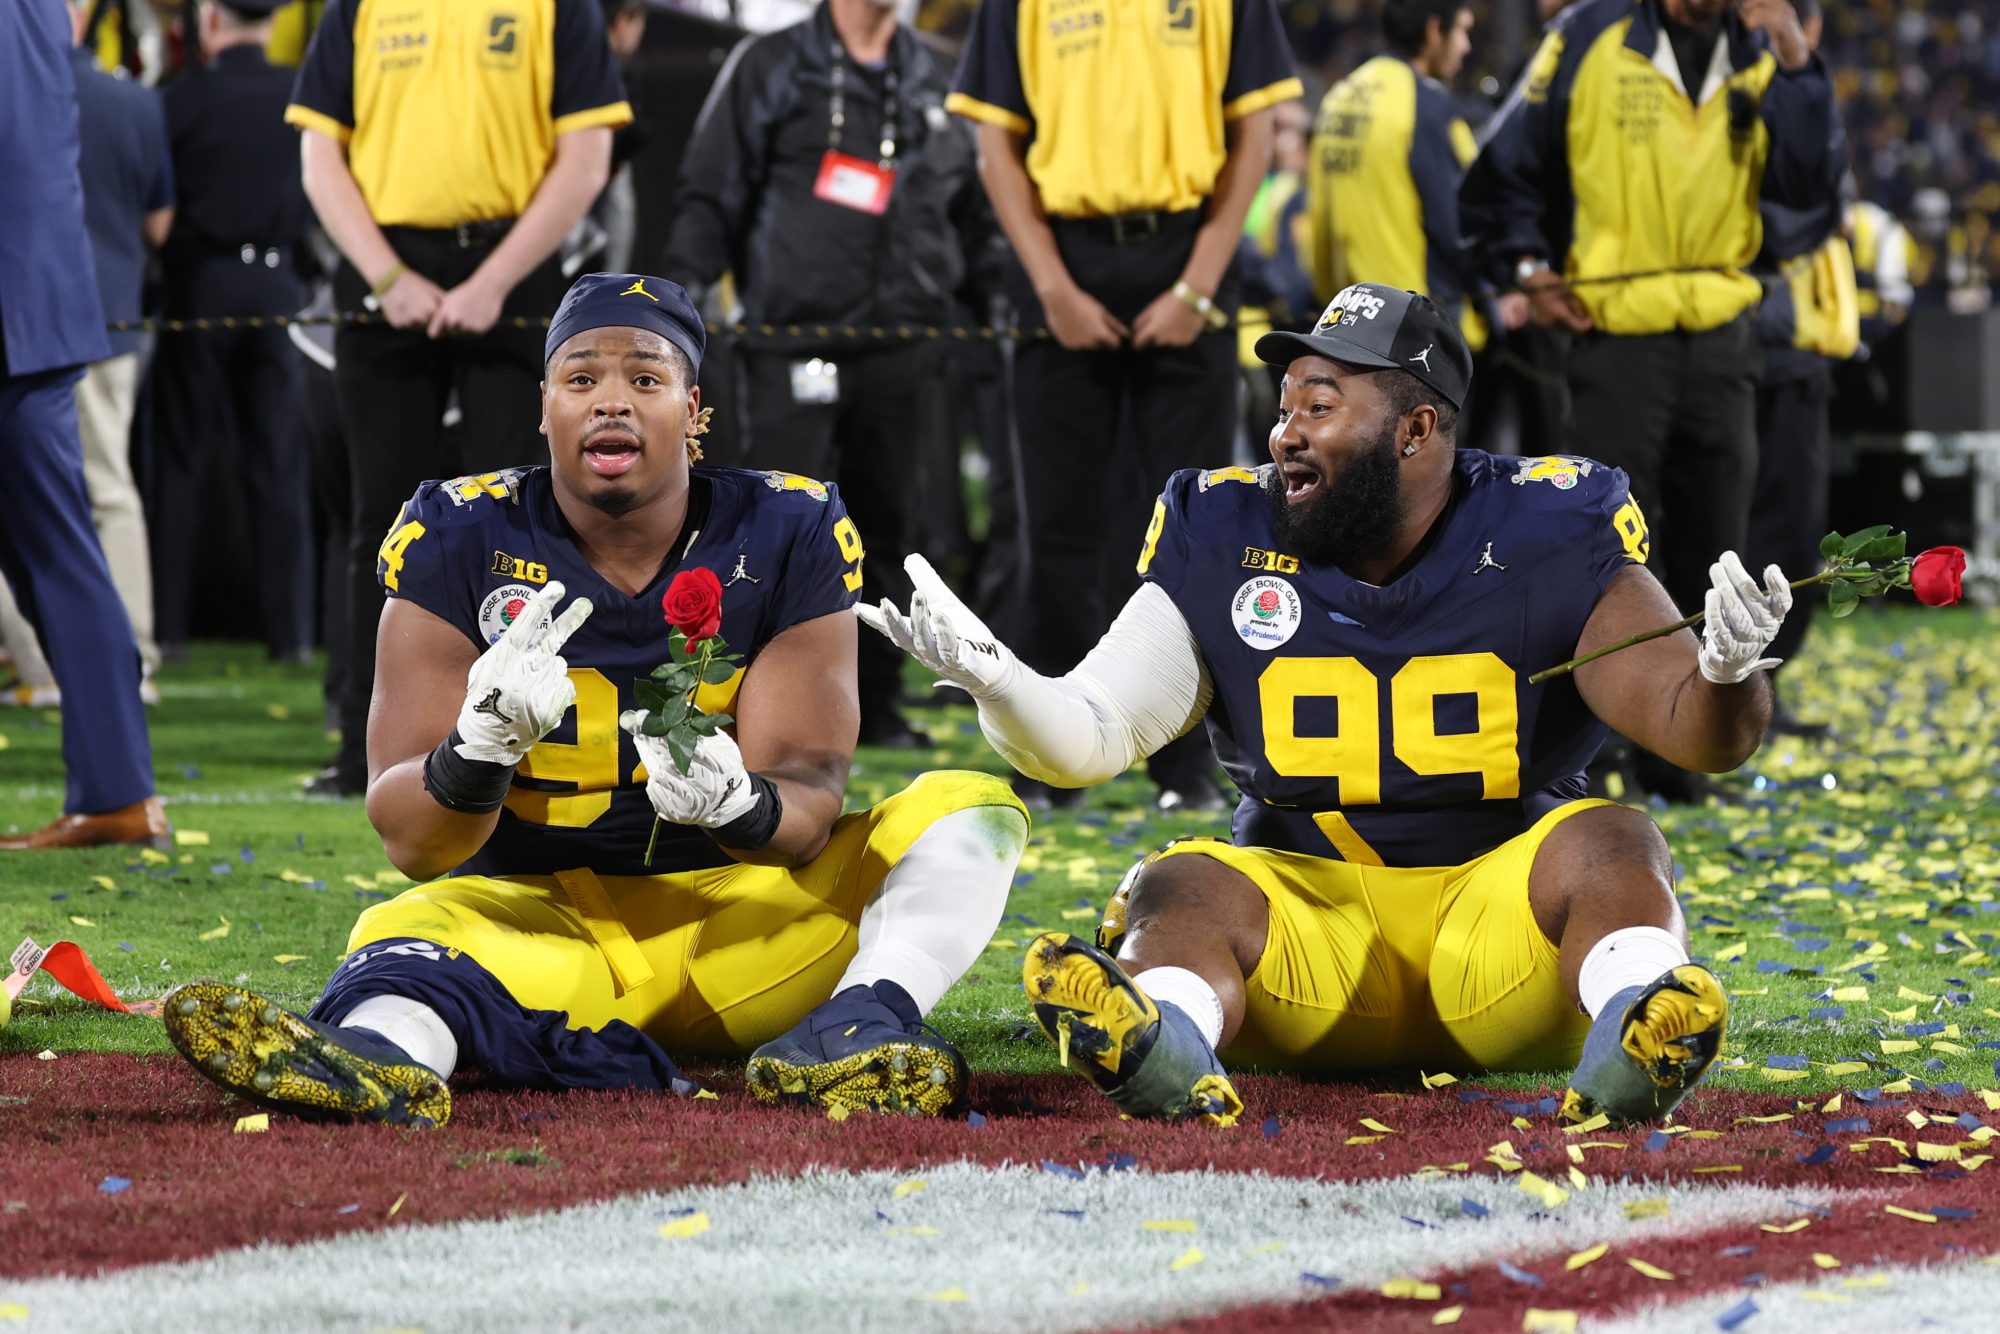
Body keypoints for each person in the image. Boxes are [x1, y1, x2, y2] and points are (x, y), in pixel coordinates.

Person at [861, 283, 1793, 1127]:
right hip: (1304, 951)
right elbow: (1090, 739)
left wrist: (1727, 674)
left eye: (1319, 406)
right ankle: (1167, 1046)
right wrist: (1000, 680)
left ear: (1415, 430)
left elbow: (1696, 735)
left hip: (1504, 948)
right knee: (1184, 880)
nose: (1285, 435)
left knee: (1614, 842)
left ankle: (1636, 1019)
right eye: (1283, 407)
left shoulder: (1550, 525)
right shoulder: (1225, 527)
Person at [160, 273, 1028, 1127]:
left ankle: (856, 1028)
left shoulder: (785, 529)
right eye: (581, 378)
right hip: (540, 925)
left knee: (969, 810)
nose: (611, 402)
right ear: (544, 405)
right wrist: (478, 751)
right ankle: (380, 1061)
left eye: (645, 378)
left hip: (745, 923)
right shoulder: (458, 534)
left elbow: (808, 803)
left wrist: (740, 801)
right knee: (402, 940)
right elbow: (409, 838)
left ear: (694, 412)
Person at [1461, 0, 1838, 802]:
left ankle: (1684, 759)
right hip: (1616, 334)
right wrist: (1528, 268)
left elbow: (1811, 192)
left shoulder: (1764, 48)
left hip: (1725, 340)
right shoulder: (1588, 34)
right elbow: (1502, 168)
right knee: (1606, 553)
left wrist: (1798, 60)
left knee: (1717, 551)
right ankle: (1581, 757)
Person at [946, 0, 1302, 812]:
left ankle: (1185, 766)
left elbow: (1253, 136)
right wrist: (1051, 289)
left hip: (1190, 250)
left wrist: (1197, 285)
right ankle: (1050, 760)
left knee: (1197, 533)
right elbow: (997, 146)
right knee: (1057, 527)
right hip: (1059, 259)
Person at [287, 0, 632, 796]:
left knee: (534, 524)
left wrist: (494, 283)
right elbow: (320, 159)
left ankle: (541, 744)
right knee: (381, 526)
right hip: (384, 273)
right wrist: (387, 278)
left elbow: (585, 159)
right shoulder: (357, 8)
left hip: (513, 266)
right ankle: (366, 752)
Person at [663, 0, 989, 749]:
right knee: (774, 532)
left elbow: (973, 214)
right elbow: (709, 195)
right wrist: (674, 321)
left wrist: (999, 309)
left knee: (889, 529)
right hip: (788, 343)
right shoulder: (770, 65)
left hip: (904, 347)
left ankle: (875, 705)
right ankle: (759, 707)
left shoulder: (940, 74)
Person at [0, 0, 168, 851]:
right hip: (37, 303)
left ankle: (117, 795)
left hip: (18, 305)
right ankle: (116, 791)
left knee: (59, 555)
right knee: (60, 556)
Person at [148, 0, 315, 665]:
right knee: (279, 465)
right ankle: (292, 636)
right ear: (274, 21)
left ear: (210, 19)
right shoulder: (299, 94)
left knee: (179, 464)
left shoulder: (180, 98)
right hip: (280, 288)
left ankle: (168, 632)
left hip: (199, 289)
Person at [1745, 0, 1853, 737]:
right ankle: (1746, 695)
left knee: (1786, 526)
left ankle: (1760, 694)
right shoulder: (1760, 94)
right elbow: (1791, 211)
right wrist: (1828, 210)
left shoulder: (1785, 95)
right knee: (1771, 528)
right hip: (1772, 350)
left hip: (1794, 349)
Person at [1306, 1, 1522, 344]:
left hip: (1346, 320)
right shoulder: (1426, 106)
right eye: (1462, 30)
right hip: (1415, 331)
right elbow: (1462, 223)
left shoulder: (1341, 96)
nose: (1466, 46)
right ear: (1434, 30)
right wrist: (1503, 289)